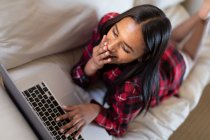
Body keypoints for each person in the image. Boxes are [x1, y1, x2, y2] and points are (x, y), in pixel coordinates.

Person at [56, 1, 210, 139]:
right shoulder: (108, 23)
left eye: (125, 47)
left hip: (170, 68)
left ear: (143, 57)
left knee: (186, 56)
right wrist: (93, 64)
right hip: (153, 50)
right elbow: (78, 77)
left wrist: (95, 110)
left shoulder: (134, 88)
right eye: (116, 33)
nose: (110, 46)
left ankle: (204, 19)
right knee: (171, 40)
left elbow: (118, 126)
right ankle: (200, 14)